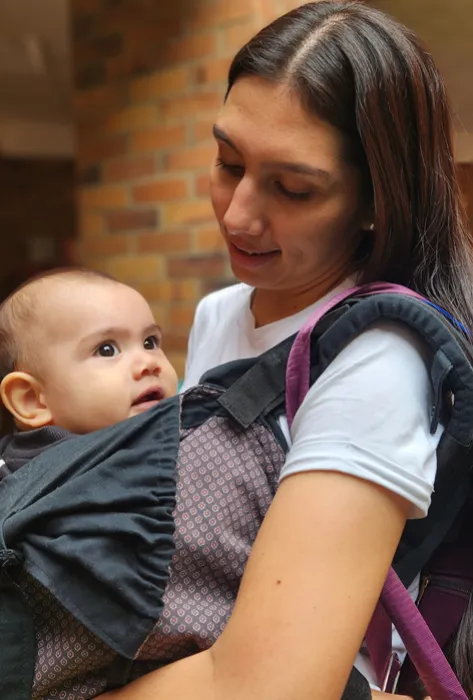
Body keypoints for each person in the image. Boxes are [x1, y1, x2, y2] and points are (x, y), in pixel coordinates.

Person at [99, 1, 473, 699]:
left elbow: (267, 686)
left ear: (375, 203)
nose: (237, 213)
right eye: (226, 161)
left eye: (292, 189)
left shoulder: (380, 363)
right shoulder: (219, 313)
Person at [0, 266, 178, 456]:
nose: (148, 362)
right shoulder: (64, 480)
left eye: (150, 342)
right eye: (106, 350)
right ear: (32, 400)